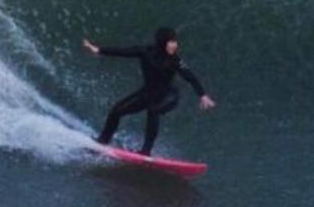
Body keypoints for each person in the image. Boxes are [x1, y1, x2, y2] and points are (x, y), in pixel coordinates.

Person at [82, 26, 216, 156]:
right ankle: (102, 141)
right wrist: (98, 50)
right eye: (172, 42)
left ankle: (146, 151)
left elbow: (189, 76)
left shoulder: (175, 60)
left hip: (169, 95)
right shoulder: (146, 51)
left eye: (175, 42)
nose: (175, 45)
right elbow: (123, 51)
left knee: (153, 110)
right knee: (116, 111)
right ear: (163, 43)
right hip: (148, 93)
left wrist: (202, 95)